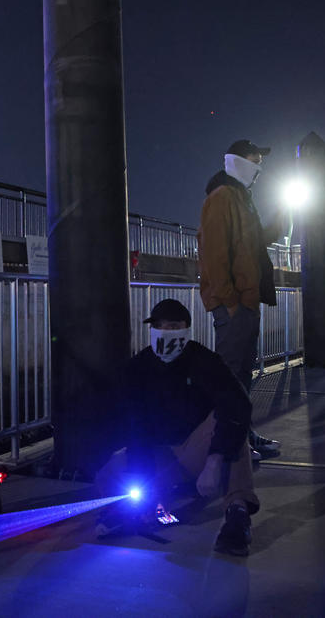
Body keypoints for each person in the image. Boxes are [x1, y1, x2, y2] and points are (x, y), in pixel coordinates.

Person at [94, 299, 259, 556]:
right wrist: (145, 482)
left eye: (173, 326)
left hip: (196, 450)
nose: (165, 332)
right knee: (107, 475)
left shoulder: (204, 360)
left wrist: (214, 461)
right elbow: (135, 426)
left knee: (230, 421)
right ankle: (139, 509)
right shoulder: (139, 367)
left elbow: (238, 406)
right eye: (159, 326)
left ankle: (237, 513)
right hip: (162, 455)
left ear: (186, 329)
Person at [198, 139, 283, 460]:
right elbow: (215, 255)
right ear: (238, 161)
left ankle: (242, 433)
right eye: (256, 159)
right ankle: (229, 443)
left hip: (245, 301)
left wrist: (279, 219)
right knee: (232, 376)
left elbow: (254, 243)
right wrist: (230, 302)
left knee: (241, 375)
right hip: (236, 304)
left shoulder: (238, 197)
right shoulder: (223, 198)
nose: (260, 167)